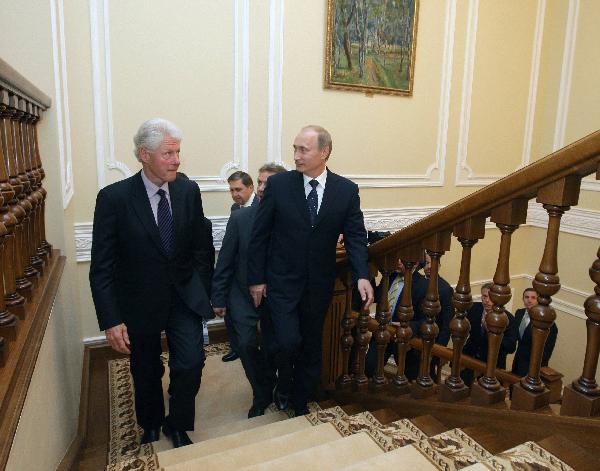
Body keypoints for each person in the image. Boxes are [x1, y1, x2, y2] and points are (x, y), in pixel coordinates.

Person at [89, 118, 214, 449]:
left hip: (184, 296)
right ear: (144, 155)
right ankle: (151, 422)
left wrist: (202, 289)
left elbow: (202, 247)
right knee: (144, 368)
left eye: (177, 152)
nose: (176, 160)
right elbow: (102, 266)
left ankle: (178, 423)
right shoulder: (114, 199)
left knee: (190, 362)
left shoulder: (188, 190)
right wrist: (112, 319)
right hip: (138, 301)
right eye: (168, 153)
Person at [247, 125, 374, 416]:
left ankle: (300, 399)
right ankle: (284, 384)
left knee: (310, 343)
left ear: (324, 152)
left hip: (319, 283)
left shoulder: (345, 190)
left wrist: (362, 275)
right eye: (294, 149)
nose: (296, 156)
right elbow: (259, 235)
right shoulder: (280, 185)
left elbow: (355, 236)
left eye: (303, 149)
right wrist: (256, 279)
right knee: (287, 340)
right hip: (281, 281)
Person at [211, 163, 286, 418]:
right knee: (244, 344)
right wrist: (218, 296)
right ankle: (261, 391)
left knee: (276, 347)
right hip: (241, 292)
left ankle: (278, 386)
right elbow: (226, 260)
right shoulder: (241, 217)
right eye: (261, 183)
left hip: (275, 296)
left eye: (270, 184)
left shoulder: (295, 220)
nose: (263, 189)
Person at [222, 171, 257, 362]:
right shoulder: (235, 208)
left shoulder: (260, 208)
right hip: (236, 271)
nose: (235, 194)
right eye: (231, 190)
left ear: (250, 187)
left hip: (253, 275)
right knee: (231, 311)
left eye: (238, 189)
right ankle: (236, 348)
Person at [461, 282, 518, 386]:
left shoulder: (509, 319)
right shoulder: (474, 308)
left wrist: (491, 333)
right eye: (484, 296)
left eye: (490, 297)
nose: (486, 301)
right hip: (470, 358)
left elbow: (511, 347)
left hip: (493, 365)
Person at [512, 288, 558, 377]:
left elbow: (546, 352)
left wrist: (534, 371)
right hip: (518, 361)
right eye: (527, 297)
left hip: (533, 367)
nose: (529, 300)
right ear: (523, 299)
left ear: (538, 300)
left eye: (533, 298)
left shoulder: (547, 323)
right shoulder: (519, 313)